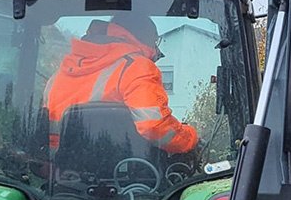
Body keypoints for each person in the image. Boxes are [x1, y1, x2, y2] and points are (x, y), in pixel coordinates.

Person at [45, 15, 198, 154]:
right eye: (155, 40)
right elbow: (153, 126)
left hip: (59, 174)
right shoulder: (137, 68)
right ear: (145, 37)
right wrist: (190, 138)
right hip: (122, 173)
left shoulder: (60, 73)